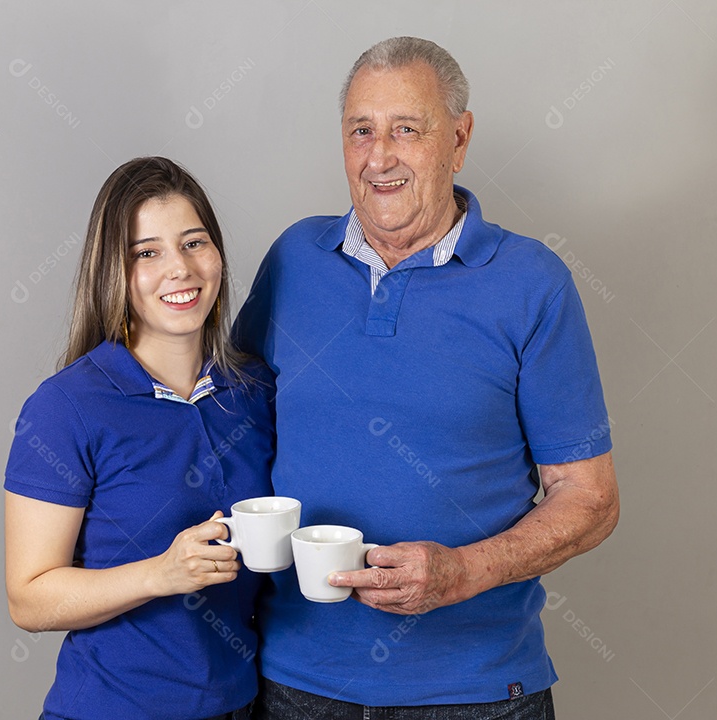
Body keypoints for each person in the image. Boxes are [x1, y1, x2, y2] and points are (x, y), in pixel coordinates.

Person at [234, 37, 619, 718]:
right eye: (361, 131)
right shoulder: (295, 258)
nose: (379, 157)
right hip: (295, 684)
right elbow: (229, 426)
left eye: (406, 129)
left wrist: (462, 573)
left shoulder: (533, 285)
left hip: (476, 693)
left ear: (460, 139)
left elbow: (589, 500)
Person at [4, 156, 274, 720]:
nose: (179, 268)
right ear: (113, 272)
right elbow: (28, 597)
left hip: (244, 706)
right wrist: (161, 574)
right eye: (146, 252)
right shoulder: (65, 408)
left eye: (194, 243)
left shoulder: (255, 390)